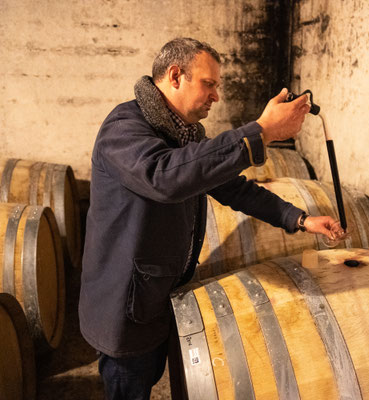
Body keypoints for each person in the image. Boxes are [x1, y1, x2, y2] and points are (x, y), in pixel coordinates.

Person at [78, 37, 345, 400]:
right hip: (124, 306)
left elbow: (232, 188)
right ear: (175, 76)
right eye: (209, 84)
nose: (216, 95)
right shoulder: (124, 128)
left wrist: (298, 219)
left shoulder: (182, 133)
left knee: (152, 372)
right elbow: (164, 177)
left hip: (157, 295)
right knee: (129, 386)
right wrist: (261, 131)